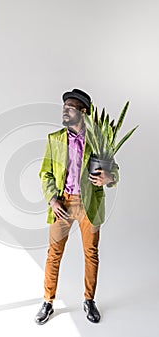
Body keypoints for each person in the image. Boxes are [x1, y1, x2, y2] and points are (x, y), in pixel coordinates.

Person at [35, 88, 119, 324]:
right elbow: (45, 173)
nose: (65, 110)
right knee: (54, 254)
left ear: (83, 112)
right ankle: (48, 301)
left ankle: (89, 300)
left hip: (89, 203)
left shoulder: (98, 139)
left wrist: (108, 178)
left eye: (70, 107)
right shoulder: (55, 139)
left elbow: (115, 172)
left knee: (91, 253)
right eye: (64, 106)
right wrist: (52, 199)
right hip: (62, 203)